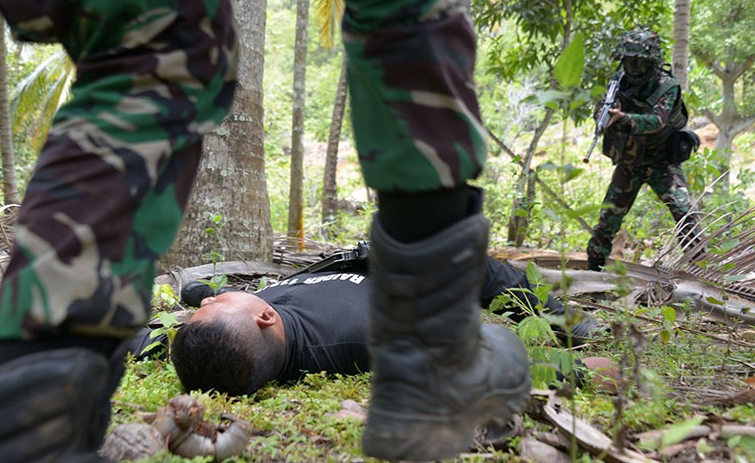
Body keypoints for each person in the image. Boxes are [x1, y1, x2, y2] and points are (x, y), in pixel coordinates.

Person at [0, 0, 530, 461]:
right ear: (258, 317)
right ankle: (432, 340)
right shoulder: (325, 333)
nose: (203, 304)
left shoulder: (270, 323)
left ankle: (28, 405)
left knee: (150, 37)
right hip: (402, 306)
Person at [155, 253, 599, 396]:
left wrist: (194, 295)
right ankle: (570, 323)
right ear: (264, 316)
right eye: (214, 304)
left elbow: (183, 330)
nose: (212, 300)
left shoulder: (239, 333)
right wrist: (570, 371)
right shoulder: (365, 336)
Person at [586, 27, 702, 272]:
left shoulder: (666, 86)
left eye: (639, 61)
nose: (633, 67)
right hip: (630, 163)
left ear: (651, 62)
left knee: (685, 214)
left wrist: (624, 118)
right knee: (607, 222)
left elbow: (656, 121)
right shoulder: (618, 83)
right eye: (629, 60)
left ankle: (705, 273)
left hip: (662, 162)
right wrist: (604, 115)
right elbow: (601, 108)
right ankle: (593, 275)